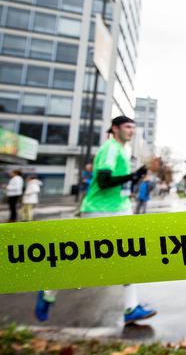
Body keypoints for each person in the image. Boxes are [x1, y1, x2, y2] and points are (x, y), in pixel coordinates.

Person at [35, 116, 157, 325]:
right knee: (83, 260)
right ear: (115, 128)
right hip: (98, 211)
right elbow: (103, 181)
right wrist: (131, 176)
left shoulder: (122, 150)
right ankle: (47, 291)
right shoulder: (110, 148)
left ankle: (131, 308)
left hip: (119, 209)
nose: (131, 131)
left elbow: (117, 183)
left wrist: (135, 177)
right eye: (127, 127)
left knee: (130, 255)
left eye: (133, 128)